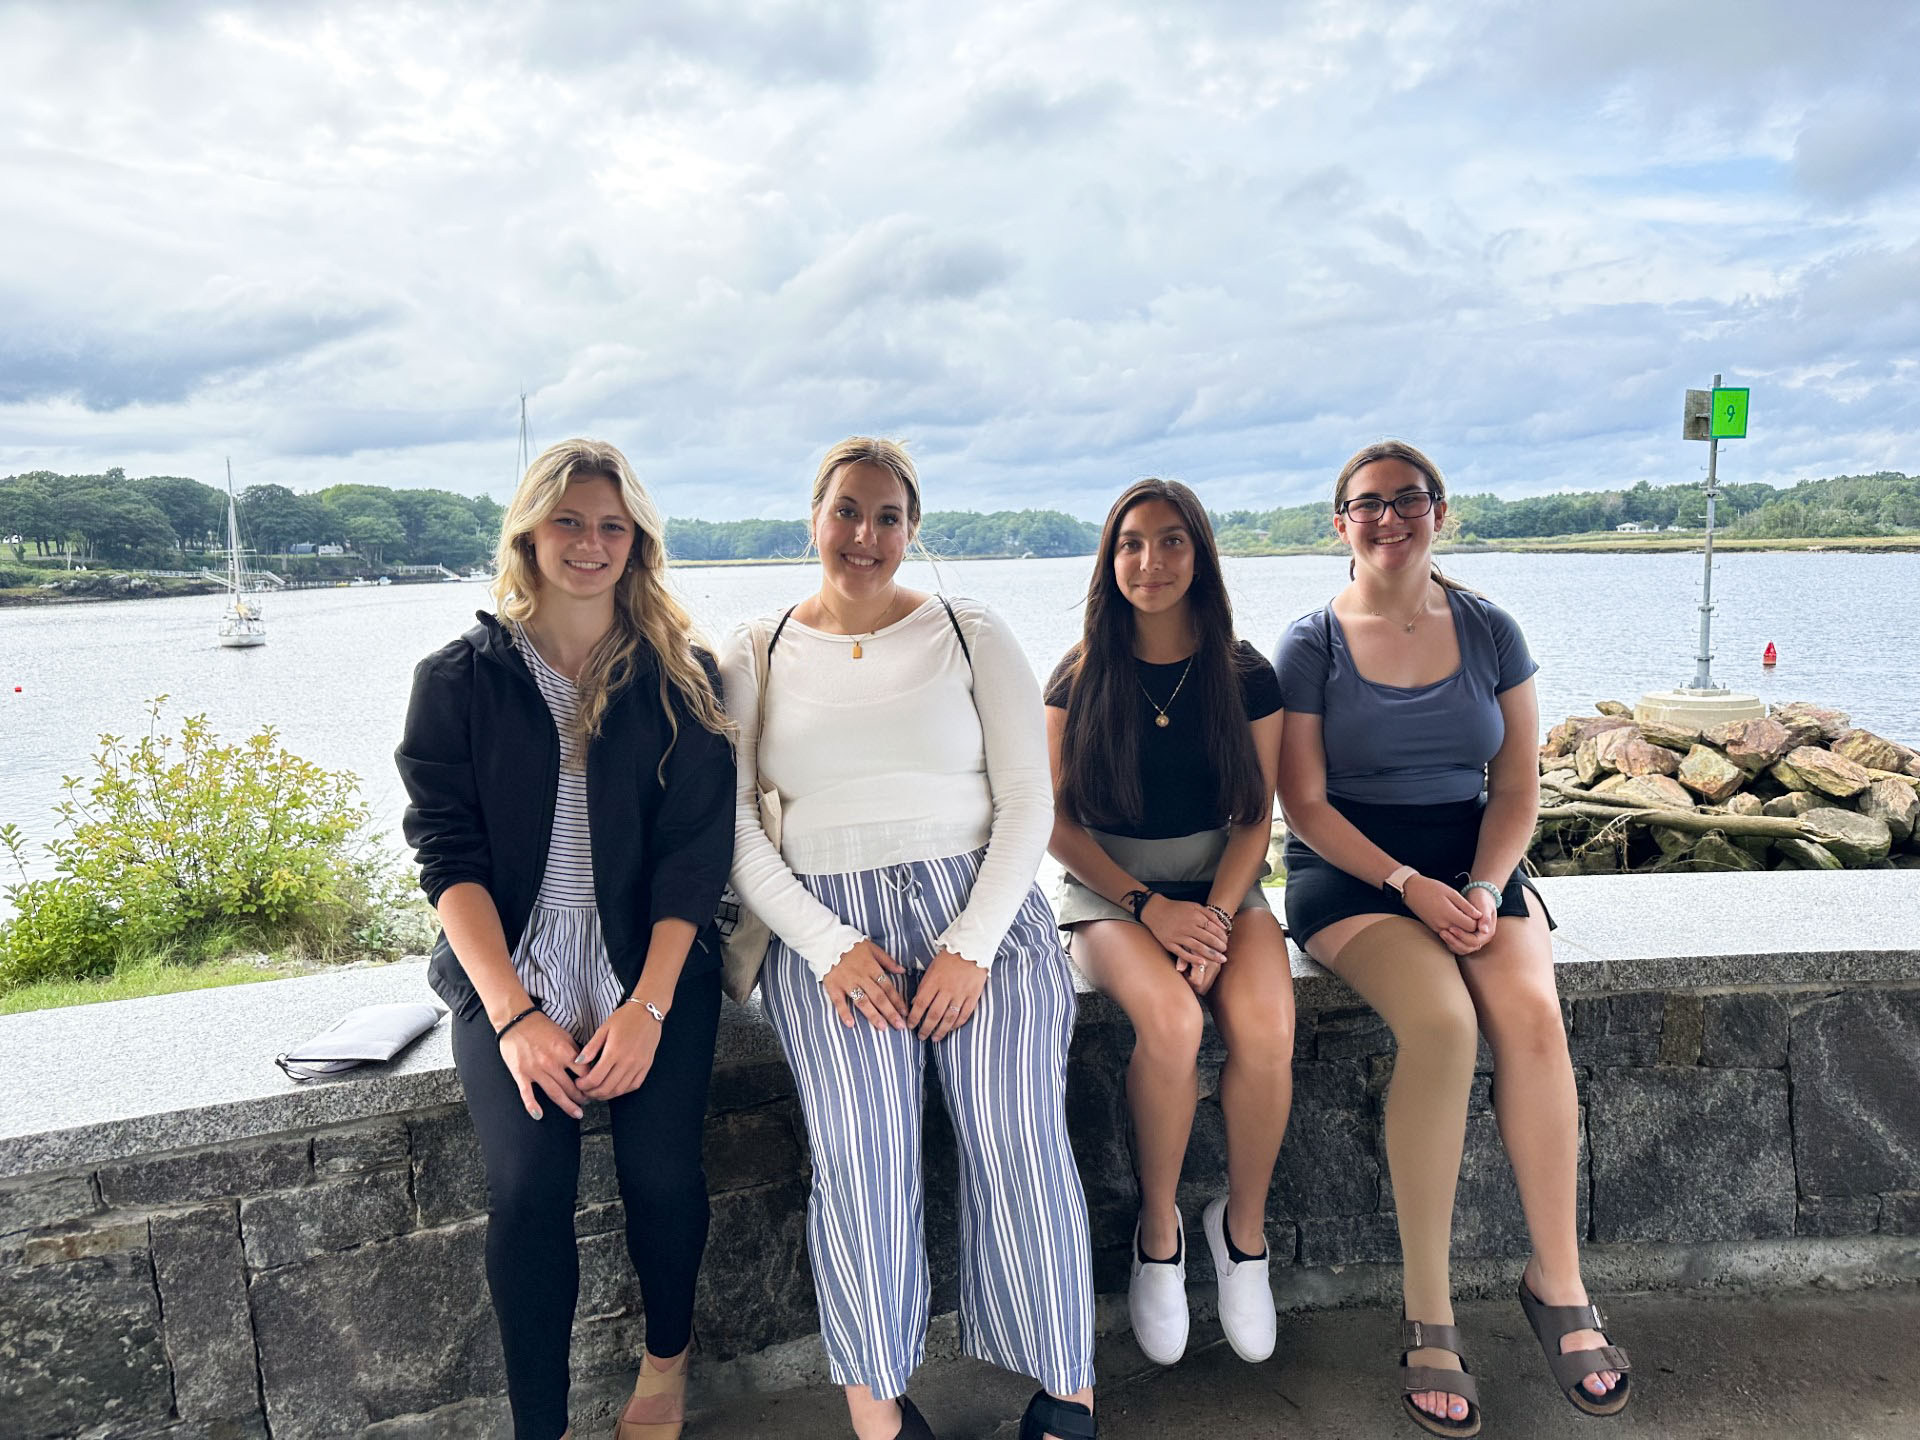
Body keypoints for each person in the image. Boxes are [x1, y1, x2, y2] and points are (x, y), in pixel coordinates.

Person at [721, 437, 1097, 1440]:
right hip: (829, 935)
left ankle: (1067, 1393)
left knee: (1018, 1133)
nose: (866, 536)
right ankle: (879, 1410)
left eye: (889, 517)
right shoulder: (754, 652)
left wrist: (972, 945)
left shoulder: (971, 632)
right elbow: (737, 830)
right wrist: (825, 943)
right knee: (861, 1153)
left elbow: (1027, 799)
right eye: (848, 510)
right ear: (815, 517)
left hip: (981, 909)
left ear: (911, 529)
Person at [1274, 440, 1631, 1437]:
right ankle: (1430, 1314)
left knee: (1531, 1021)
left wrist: (1477, 881)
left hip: (1476, 862)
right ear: (1338, 522)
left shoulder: (1489, 629)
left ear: (1442, 511)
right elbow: (1299, 800)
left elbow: (1518, 787)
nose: (1388, 519)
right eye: (1366, 504)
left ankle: (1556, 1280)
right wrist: (1409, 885)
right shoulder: (1313, 644)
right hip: (1353, 872)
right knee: (1442, 1027)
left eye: (1408, 501)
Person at [396, 439, 735, 1440]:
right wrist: (513, 1015)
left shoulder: (684, 679)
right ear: (529, 533)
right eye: (570, 522)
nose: (590, 543)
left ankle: (664, 1369)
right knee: (529, 1190)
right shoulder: (458, 680)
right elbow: (445, 854)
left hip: (653, 968)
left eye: (612, 526)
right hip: (511, 974)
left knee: (664, 1176)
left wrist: (648, 1007)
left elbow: (693, 857)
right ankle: (536, 1426)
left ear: (636, 544)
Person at [1043, 478, 1295, 1368]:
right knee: (1175, 1022)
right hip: (1112, 892)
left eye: (1173, 541)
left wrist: (1214, 919)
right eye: (1132, 544)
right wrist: (1153, 909)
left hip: (1222, 885)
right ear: (1110, 562)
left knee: (1267, 1029)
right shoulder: (1078, 675)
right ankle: (1160, 1234)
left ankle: (1243, 1234)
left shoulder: (1246, 673)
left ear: (1201, 553)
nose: (1151, 562)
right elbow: (1054, 824)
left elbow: (1256, 819)